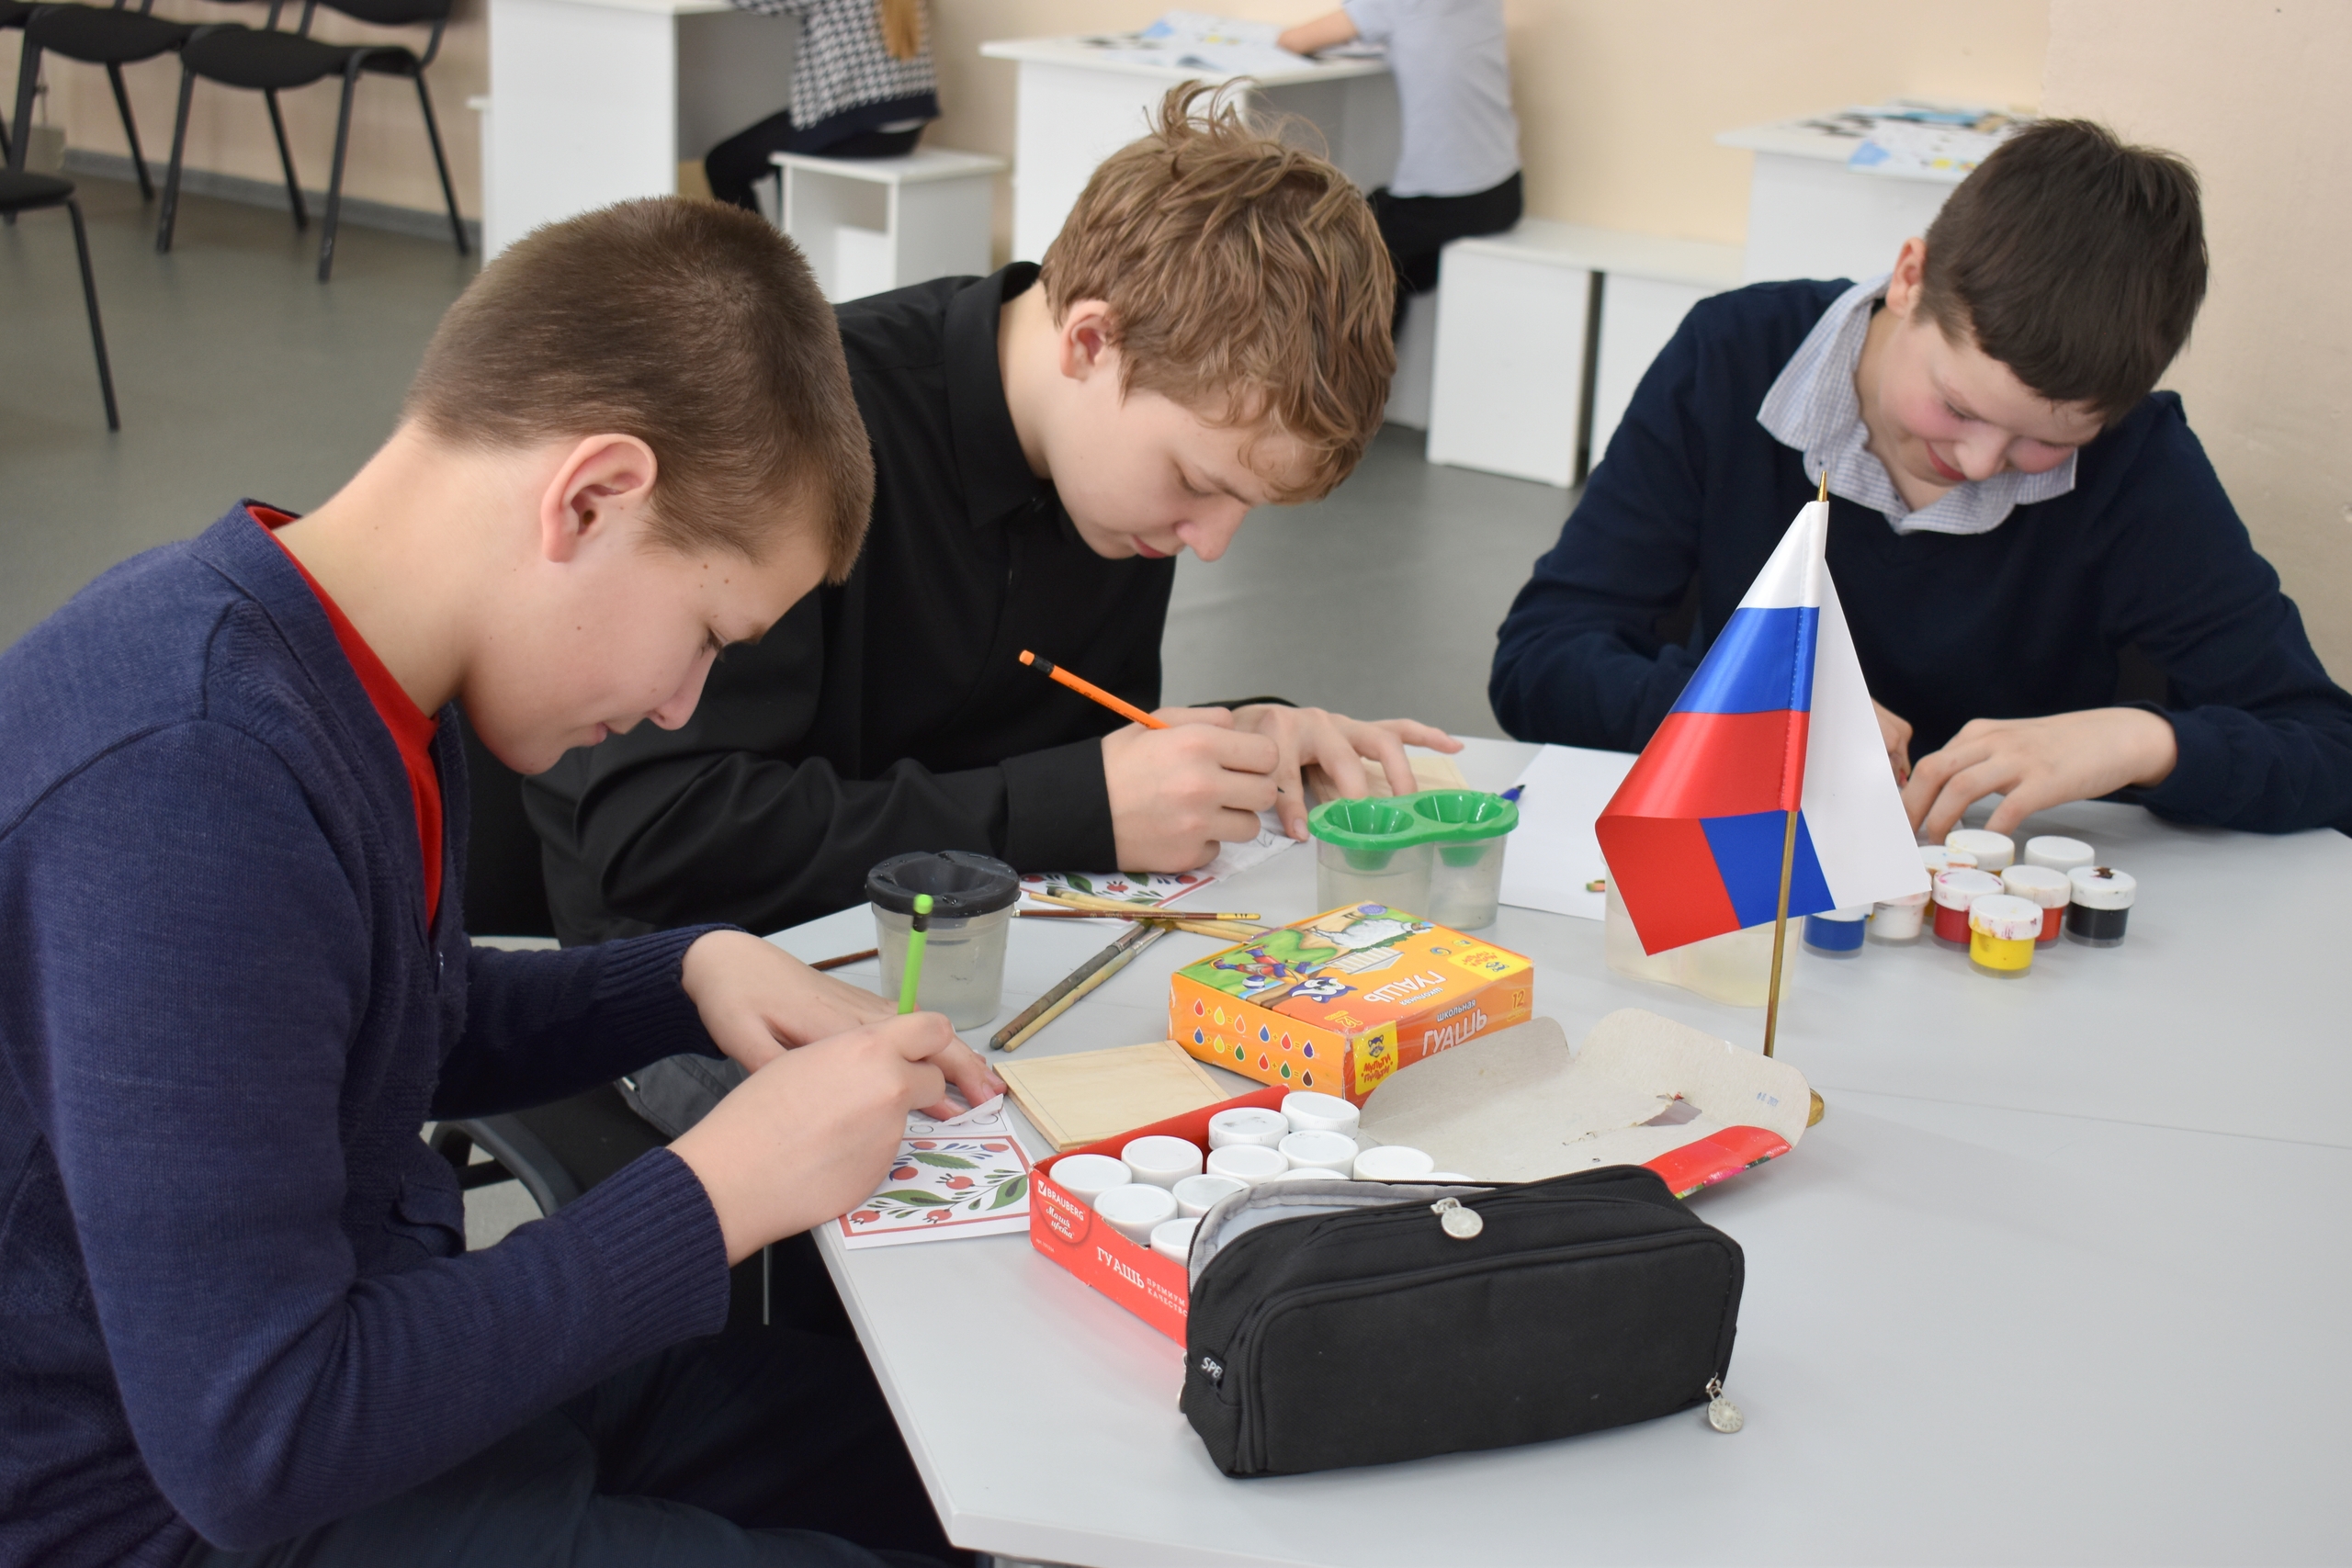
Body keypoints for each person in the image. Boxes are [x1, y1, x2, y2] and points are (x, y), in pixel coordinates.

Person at [0, 197, 1005, 1567]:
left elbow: (355, 1025)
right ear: (591, 497)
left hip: (370, 1380)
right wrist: (717, 1190)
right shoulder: (190, 776)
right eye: (708, 635)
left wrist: (684, 972)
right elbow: (260, 1437)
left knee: (928, 1456)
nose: (682, 706)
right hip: (171, 1507)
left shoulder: (349, 671)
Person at [527, 85, 1453, 959]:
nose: (1208, 543)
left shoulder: (1120, 481)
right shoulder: (788, 419)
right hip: (697, 976)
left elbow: (1044, 761)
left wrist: (1231, 743)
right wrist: (1072, 806)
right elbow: (656, 837)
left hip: (956, 947)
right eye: (1194, 481)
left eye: (1243, 503)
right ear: (1091, 342)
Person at [1489, 118, 2352, 840]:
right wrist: (1748, 714)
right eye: (1957, 406)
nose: (1978, 464)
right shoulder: (1732, 356)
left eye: (2042, 442)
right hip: (1751, 881)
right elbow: (1539, 663)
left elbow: (2327, 747)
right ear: (1910, 277)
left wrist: (2139, 742)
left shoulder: (2137, 463)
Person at [1279, 0, 1521, 329]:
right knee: (1378, 226)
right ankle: (1378, 352)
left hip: (1445, 204)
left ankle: (1356, 360)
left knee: (1340, 251)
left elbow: (1292, 41)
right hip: (1503, 192)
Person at [705, 0, 937, 212]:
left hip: (859, 125)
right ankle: (782, 241)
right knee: (780, 156)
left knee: (723, 164)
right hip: (906, 125)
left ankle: (759, 247)